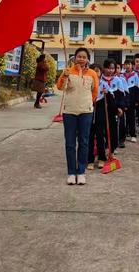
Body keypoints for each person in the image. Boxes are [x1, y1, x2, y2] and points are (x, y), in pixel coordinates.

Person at [57, 47, 99, 186]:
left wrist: (87, 104)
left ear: (87, 59)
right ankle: (71, 172)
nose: (81, 59)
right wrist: (65, 76)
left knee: (84, 142)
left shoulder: (93, 73)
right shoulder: (68, 72)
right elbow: (60, 87)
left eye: (84, 56)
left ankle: (81, 172)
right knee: (69, 143)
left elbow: (95, 92)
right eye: (79, 56)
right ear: (74, 58)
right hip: (69, 112)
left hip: (86, 112)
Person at [122, 59, 139, 143]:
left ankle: (133, 135)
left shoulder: (135, 75)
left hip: (132, 100)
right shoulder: (121, 76)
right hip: (124, 100)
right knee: (123, 118)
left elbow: (138, 88)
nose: (128, 66)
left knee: (132, 117)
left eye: (129, 64)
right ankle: (124, 134)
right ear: (124, 66)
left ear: (132, 65)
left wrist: (137, 100)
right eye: (126, 64)